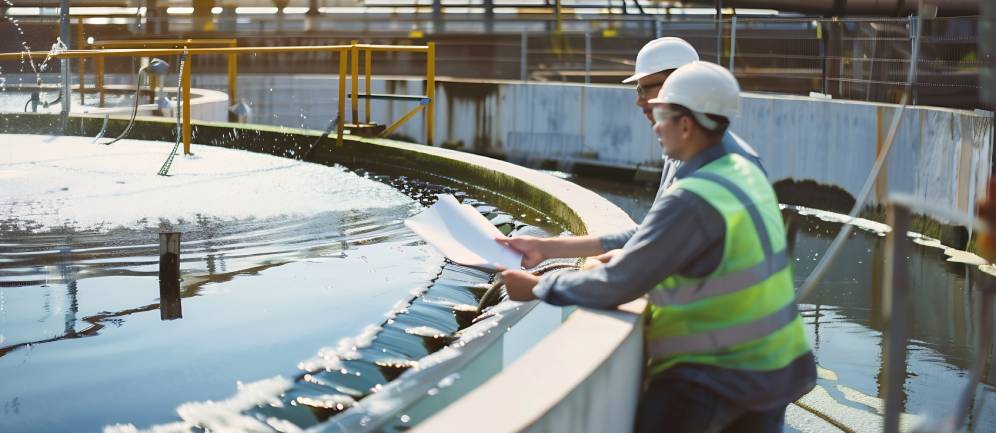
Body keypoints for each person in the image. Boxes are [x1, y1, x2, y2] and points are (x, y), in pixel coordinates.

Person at [497, 62, 816, 433]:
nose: (653, 123)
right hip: (776, 366)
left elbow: (619, 284)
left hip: (711, 377)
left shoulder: (693, 195)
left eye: (661, 114)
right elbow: (675, 247)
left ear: (685, 125)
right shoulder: (744, 173)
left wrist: (536, 287)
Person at [625, 37, 765, 191]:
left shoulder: (715, 165)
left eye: (643, 90)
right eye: (638, 90)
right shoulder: (683, 149)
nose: (639, 101)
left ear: (677, 83)